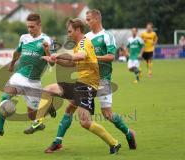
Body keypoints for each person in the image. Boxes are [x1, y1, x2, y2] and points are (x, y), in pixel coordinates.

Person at [45, 9, 137, 153]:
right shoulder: (85, 37)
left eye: (88, 19)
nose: (86, 22)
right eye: (86, 20)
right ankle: (58, 141)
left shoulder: (107, 36)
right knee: (70, 108)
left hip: (103, 80)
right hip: (85, 81)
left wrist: (93, 57)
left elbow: (111, 56)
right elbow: (75, 60)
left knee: (107, 114)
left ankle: (128, 133)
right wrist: (57, 59)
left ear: (96, 20)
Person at [0, 13, 54, 142]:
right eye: (28, 27)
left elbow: (52, 62)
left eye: (32, 27)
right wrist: (12, 63)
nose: (30, 29)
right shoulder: (24, 38)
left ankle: (46, 106)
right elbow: (17, 51)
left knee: (32, 116)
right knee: (4, 98)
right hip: (19, 76)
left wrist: (47, 51)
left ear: (39, 25)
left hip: (33, 81)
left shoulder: (46, 40)